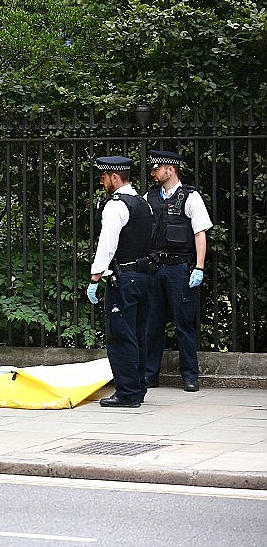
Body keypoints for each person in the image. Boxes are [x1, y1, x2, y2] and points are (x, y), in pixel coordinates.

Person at [87, 156, 155, 408]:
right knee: (139, 334)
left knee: (121, 336)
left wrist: (96, 276)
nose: (102, 182)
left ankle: (127, 392)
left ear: (115, 177)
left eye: (103, 177)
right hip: (144, 277)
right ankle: (138, 387)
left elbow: (108, 243)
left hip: (123, 279)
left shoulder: (116, 205)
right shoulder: (143, 203)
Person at [143, 150, 213, 392]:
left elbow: (200, 233)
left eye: (156, 169)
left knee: (184, 324)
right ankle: (150, 375)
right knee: (152, 323)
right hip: (154, 268)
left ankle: (190, 376)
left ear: (170, 170)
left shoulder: (191, 197)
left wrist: (199, 267)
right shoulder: (149, 197)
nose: (152, 173)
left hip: (179, 269)